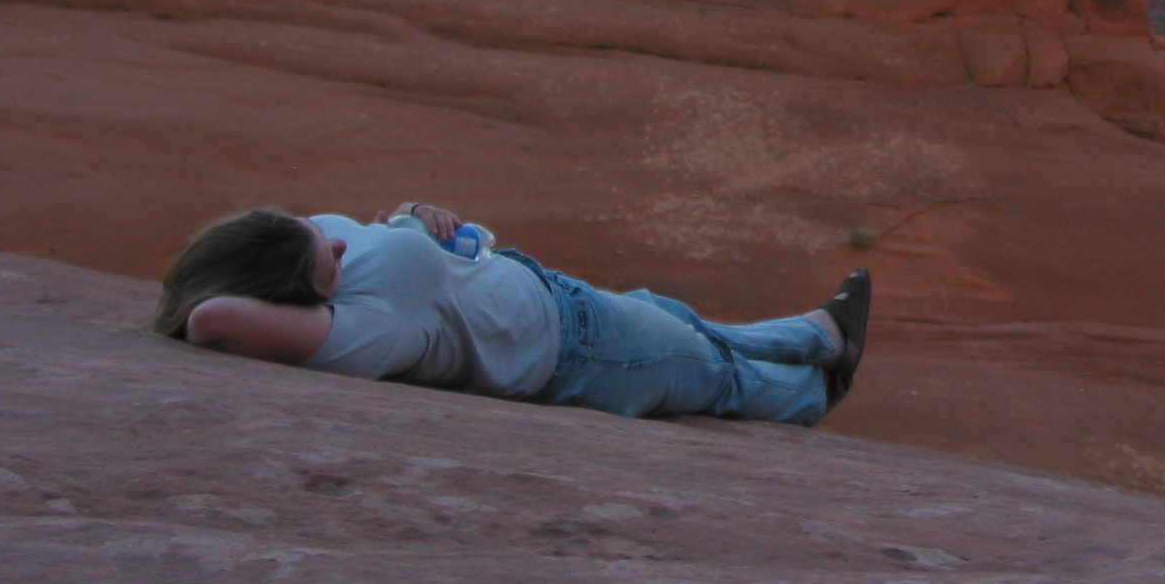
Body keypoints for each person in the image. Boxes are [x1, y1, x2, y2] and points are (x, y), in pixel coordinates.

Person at [152, 200, 868, 427]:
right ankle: (813, 387)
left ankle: (817, 335)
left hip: (554, 300)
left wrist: (408, 216)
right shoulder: (366, 331)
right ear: (297, 300)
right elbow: (214, 320)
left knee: (672, 317)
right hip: (577, 354)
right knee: (712, 374)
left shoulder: (325, 268)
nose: (339, 240)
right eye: (327, 259)